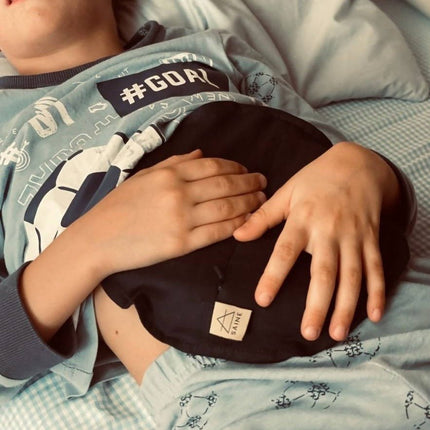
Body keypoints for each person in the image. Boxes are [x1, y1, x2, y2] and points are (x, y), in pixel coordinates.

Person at [0, 0, 415, 414]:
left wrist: (366, 168)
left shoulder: (211, 49)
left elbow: (331, 159)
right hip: (230, 382)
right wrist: (93, 242)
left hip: (386, 295)